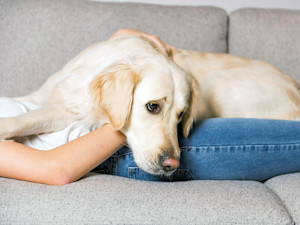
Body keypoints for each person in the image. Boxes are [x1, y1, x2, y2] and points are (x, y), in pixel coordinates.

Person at [0, 29, 299, 185]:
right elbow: (56, 170)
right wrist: (125, 111)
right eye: (153, 107)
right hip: (107, 154)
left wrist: (127, 43)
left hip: (265, 91)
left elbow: (48, 103)